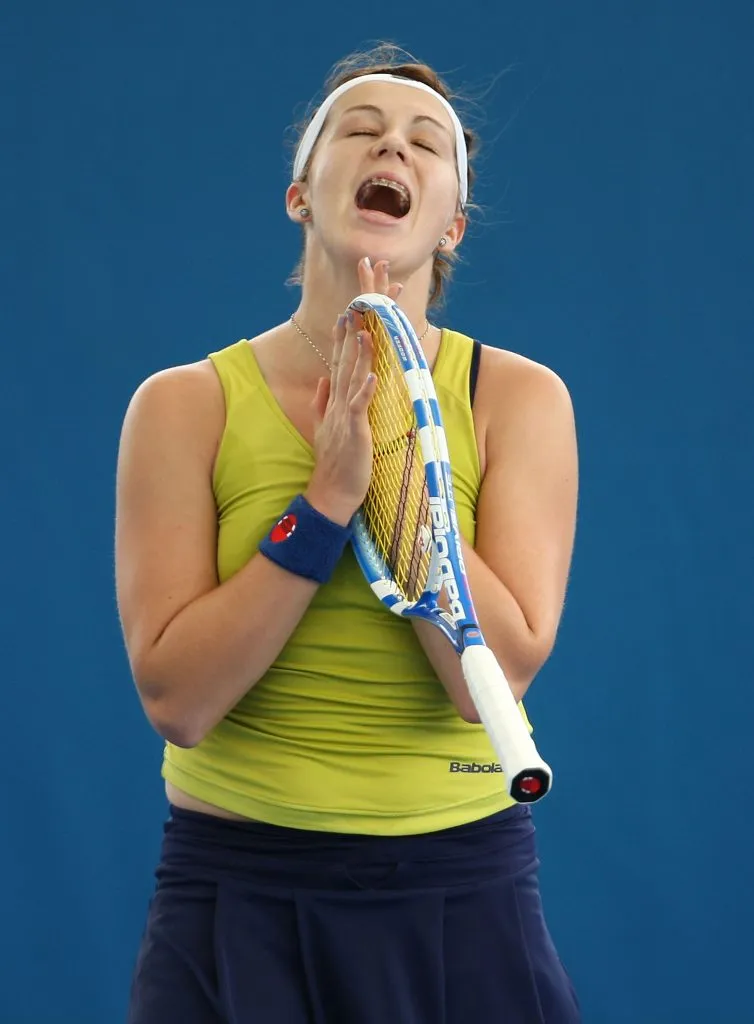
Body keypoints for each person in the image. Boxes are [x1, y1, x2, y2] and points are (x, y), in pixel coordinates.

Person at [116, 42, 581, 1024]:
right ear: (301, 193)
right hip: (234, 890)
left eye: (425, 142)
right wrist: (325, 503)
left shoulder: (519, 400)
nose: (393, 150)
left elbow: (481, 683)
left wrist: (401, 462)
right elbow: (180, 700)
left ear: (450, 221)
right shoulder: (181, 406)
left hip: (463, 894)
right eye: (360, 132)